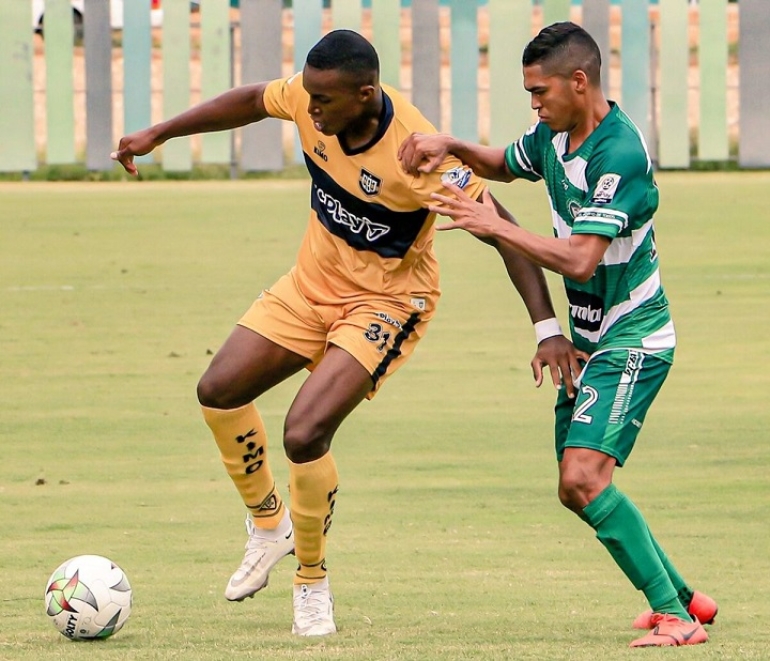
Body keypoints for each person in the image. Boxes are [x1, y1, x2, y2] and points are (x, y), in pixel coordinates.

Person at [111, 29, 582, 637]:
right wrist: (160, 132)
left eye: (322, 102)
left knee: (304, 433)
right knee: (218, 390)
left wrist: (547, 327)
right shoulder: (316, 102)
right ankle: (268, 524)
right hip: (310, 286)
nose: (308, 111)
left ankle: (311, 582)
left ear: (365, 94)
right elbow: (255, 98)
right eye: (307, 98)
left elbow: (501, 227)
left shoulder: (418, 155)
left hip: (387, 302)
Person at [398, 21, 717, 649]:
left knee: (582, 478)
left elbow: (579, 260)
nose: (535, 104)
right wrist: (453, 145)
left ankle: (675, 621)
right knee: (576, 487)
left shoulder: (617, 153)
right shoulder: (554, 135)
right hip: (590, 339)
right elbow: (505, 165)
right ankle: (686, 599)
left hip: (635, 338)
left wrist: (493, 228)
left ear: (580, 80)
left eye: (540, 91)